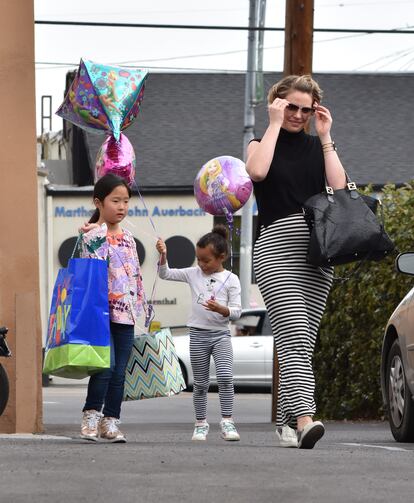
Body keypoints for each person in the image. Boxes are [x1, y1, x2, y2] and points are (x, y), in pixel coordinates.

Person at [246, 75, 346, 449]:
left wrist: (324, 136)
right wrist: (272, 124)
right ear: (277, 103)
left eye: (306, 110)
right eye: (292, 107)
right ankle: (305, 420)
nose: (298, 115)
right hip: (276, 246)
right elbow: (257, 172)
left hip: (319, 250)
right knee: (293, 333)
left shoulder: (316, 145)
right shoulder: (260, 142)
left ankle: (287, 422)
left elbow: (338, 188)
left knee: (303, 340)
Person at [156, 225, 242, 442]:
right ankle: (201, 424)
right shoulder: (193, 274)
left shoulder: (231, 279)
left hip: (221, 335)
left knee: (224, 377)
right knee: (201, 383)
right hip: (198, 335)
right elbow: (165, 273)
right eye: (199, 259)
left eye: (206, 260)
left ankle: (227, 421)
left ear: (221, 257)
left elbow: (237, 312)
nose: (201, 264)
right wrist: (163, 255)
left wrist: (222, 310)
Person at [78, 173, 146, 443]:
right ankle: (91, 416)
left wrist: (139, 306)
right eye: (115, 200)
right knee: (105, 367)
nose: (121, 207)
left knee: (119, 373)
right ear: (98, 203)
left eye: (126, 201)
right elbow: (90, 273)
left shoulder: (129, 238)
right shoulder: (92, 236)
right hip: (101, 313)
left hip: (126, 313)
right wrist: (92, 234)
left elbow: (135, 274)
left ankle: (111, 422)